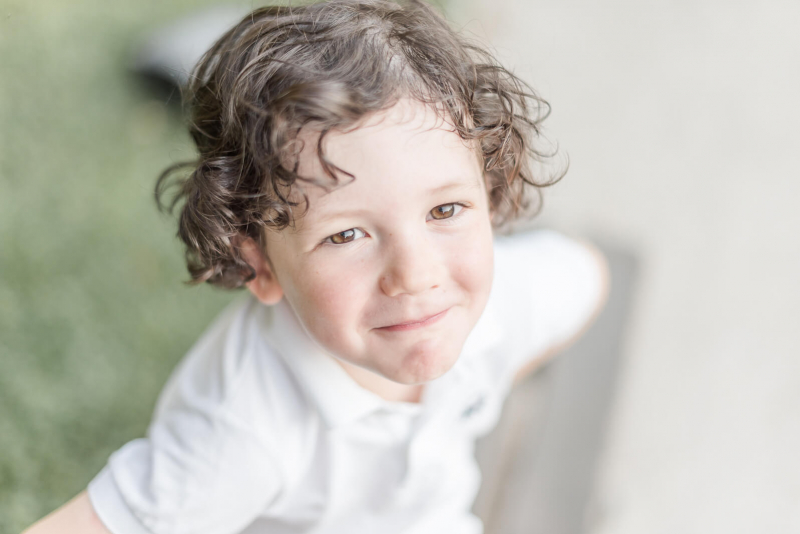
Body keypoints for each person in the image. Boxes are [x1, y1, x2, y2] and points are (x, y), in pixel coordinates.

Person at [23, 1, 608, 533]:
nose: (416, 274)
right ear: (261, 267)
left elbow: (586, 276)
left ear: (490, 193)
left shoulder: (488, 313)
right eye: (347, 234)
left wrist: (493, 369)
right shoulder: (244, 428)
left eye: (445, 209)